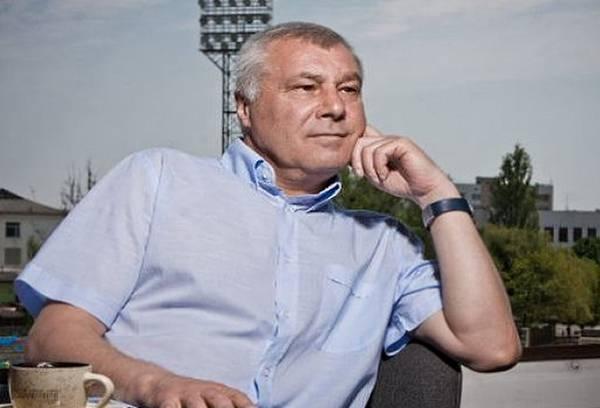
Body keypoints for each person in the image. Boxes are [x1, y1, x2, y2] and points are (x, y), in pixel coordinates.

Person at [15, 22, 521, 408]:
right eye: (306, 87)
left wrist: (437, 195)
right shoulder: (157, 178)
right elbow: (53, 337)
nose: (335, 107)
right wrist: (158, 386)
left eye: (349, 89)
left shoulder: (384, 244)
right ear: (245, 107)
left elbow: (492, 347)